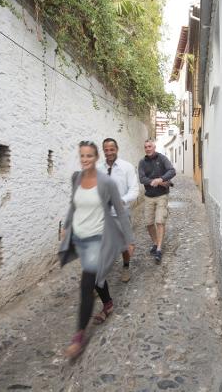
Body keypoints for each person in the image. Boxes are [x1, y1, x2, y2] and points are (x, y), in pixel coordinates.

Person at [61, 140, 135, 359]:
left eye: (89, 156)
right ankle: (108, 303)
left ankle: (78, 337)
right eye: (82, 156)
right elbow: (73, 205)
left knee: (86, 284)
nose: (85, 160)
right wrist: (66, 228)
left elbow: (121, 212)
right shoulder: (77, 178)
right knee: (95, 277)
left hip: (102, 237)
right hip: (83, 238)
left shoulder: (107, 182)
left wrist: (129, 239)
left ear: (96, 158)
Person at [97, 138, 139, 283]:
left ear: (117, 149)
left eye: (111, 149)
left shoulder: (127, 167)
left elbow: (134, 190)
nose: (109, 152)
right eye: (106, 150)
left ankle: (126, 267)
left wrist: (122, 200)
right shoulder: (99, 169)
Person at [138, 139, 176, 263]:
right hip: (148, 196)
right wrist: (153, 182)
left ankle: (159, 249)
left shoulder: (162, 158)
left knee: (160, 221)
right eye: (146, 147)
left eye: (150, 146)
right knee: (149, 223)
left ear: (154, 147)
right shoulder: (142, 162)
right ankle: (155, 242)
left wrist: (161, 179)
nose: (148, 148)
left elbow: (172, 171)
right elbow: (142, 178)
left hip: (161, 196)